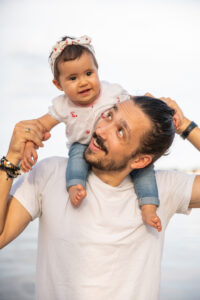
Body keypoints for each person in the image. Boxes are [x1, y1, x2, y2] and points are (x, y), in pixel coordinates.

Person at [0, 96, 199, 300]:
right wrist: (11, 159)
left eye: (120, 131)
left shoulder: (162, 190)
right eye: (109, 115)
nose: (100, 130)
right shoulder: (49, 173)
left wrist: (184, 126)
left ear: (140, 160)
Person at [20, 35, 161, 231]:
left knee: (145, 170)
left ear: (97, 70)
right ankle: (75, 186)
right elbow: (39, 126)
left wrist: (152, 101)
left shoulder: (112, 92)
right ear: (58, 85)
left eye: (88, 73)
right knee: (75, 160)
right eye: (72, 78)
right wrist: (28, 145)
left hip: (107, 144)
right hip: (82, 144)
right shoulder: (62, 105)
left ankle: (149, 205)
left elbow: (135, 106)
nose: (83, 82)